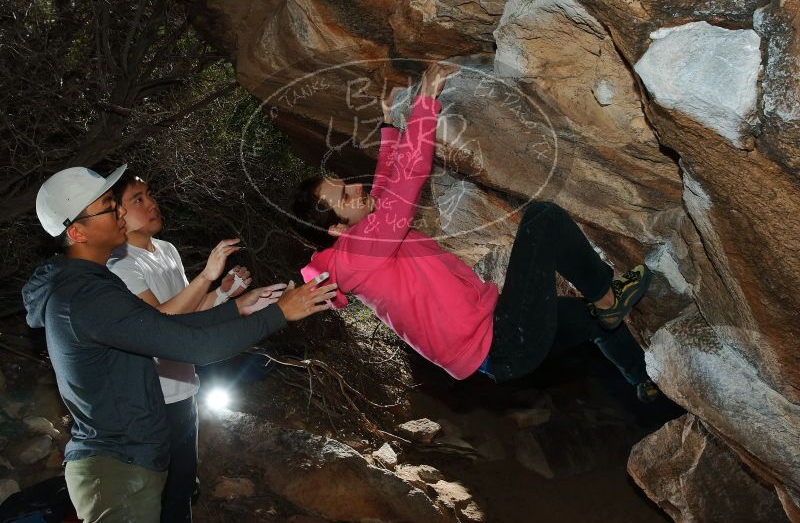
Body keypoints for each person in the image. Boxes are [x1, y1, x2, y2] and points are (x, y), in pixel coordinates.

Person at [291, 63, 659, 401]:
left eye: (345, 184)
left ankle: (642, 380)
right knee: (542, 219)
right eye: (345, 195)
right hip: (500, 340)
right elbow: (404, 187)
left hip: (497, 336)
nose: (356, 188)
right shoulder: (359, 254)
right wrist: (424, 104)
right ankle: (607, 296)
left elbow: (386, 187)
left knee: (592, 322)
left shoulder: (359, 247)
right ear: (338, 229)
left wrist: (389, 128)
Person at [22, 165, 337, 523]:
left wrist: (236, 307)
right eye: (110, 205)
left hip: (126, 461)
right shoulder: (87, 297)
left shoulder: (90, 285)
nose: (121, 211)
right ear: (77, 231)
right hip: (117, 470)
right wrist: (279, 313)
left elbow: (162, 328)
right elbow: (193, 347)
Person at [107, 172, 249, 522]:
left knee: (183, 485)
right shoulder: (120, 266)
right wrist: (206, 276)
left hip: (184, 390)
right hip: (150, 400)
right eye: (137, 199)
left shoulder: (166, 250)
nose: (151, 203)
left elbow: (189, 313)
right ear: (117, 214)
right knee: (155, 495)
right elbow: (158, 326)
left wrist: (224, 292)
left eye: (149, 193)